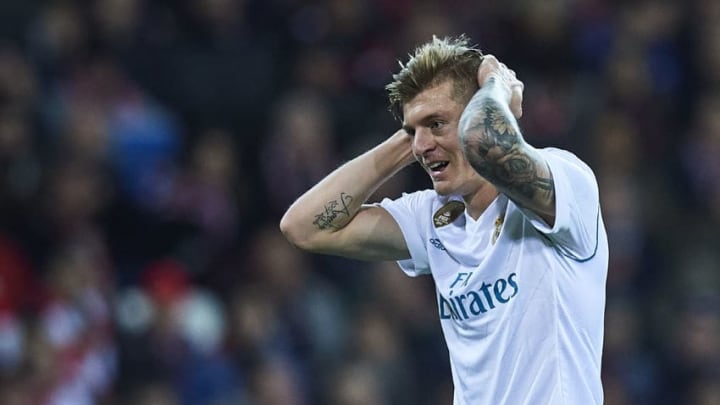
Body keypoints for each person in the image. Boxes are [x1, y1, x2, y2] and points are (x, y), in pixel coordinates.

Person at [280, 35, 608, 405]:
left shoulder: (565, 182)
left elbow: (487, 143)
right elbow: (303, 227)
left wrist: (497, 84)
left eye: (437, 123)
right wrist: (409, 140)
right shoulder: (434, 217)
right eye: (413, 130)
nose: (422, 146)